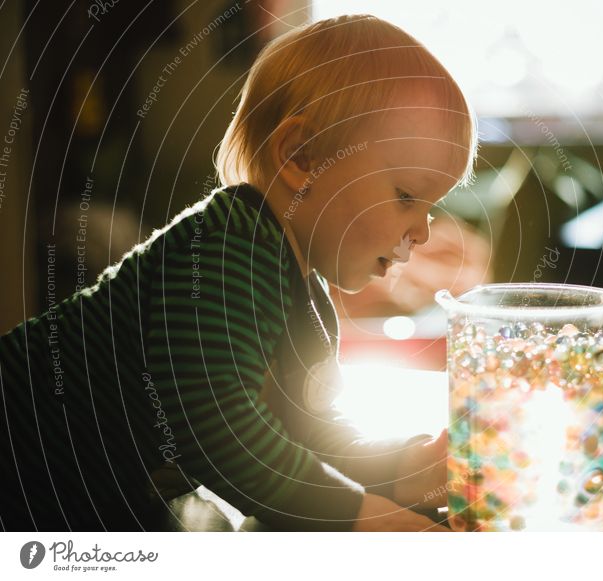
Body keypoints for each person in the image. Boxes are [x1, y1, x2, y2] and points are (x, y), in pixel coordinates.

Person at [0, 14, 477, 531]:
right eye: (407, 196)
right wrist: (362, 518)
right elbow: (218, 429)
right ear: (303, 157)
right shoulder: (227, 245)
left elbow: (308, 433)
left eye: (431, 206)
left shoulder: (303, 293)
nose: (423, 232)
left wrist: (406, 467)